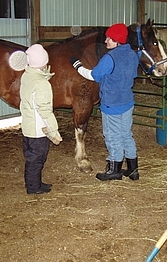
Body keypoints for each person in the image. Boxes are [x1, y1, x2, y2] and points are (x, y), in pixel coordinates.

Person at [70, 23, 139, 181]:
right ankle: (133, 169)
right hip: (127, 102)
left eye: (110, 38)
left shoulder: (110, 58)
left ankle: (114, 170)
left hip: (112, 104)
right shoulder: (132, 54)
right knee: (126, 135)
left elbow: (93, 75)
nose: (106, 40)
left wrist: (77, 66)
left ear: (117, 41)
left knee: (112, 136)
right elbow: (132, 75)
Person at [20, 44, 62, 194]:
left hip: (28, 126)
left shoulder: (27, 76)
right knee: (37, 158)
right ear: (43, 62)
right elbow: (44, 109)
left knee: (33, 157)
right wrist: (53, 129)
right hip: (38, 129)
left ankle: (35, 182)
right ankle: (33, 187)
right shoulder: (42, 83)